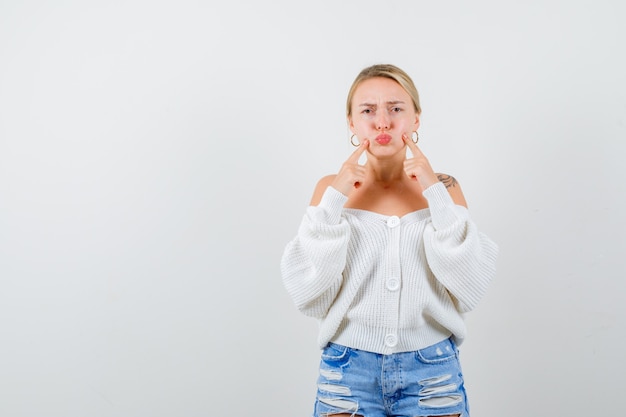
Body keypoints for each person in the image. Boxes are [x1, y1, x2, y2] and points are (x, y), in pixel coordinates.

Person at [280, 64, 499, 417]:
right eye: (368, 111)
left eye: (396, 109)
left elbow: (469, 286)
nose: (383, 122)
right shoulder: (329, 189)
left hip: (432, 371)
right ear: (351, 122)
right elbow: (308, 294)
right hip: (346, 371)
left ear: (416, 119)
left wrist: (434, 194)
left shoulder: (445, 187)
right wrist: (335, 199)